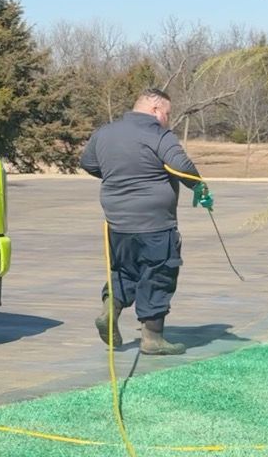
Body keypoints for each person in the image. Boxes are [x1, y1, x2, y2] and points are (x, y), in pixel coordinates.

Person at [79, 87, 212, 356]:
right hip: (155, 224)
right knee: (158, 273)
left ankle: (110, 309)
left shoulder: (105, 133)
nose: (167, 120)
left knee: (123, 271)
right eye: (167, 114)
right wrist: (199, 187)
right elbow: (181, 166)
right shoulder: (159, 135)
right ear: (155, 109)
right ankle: (152, 339)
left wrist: (118, 175)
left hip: (117, 222)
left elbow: (88, 163)